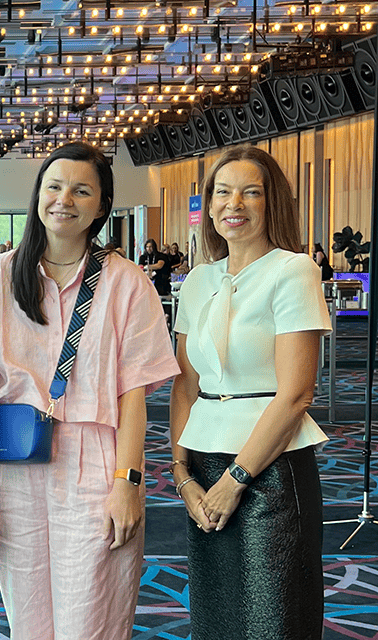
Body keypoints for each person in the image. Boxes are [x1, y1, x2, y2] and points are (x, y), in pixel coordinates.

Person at [0, 142, 180, 639]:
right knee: (27, 617)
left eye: (81, 191)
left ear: (101, 206)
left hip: (98, 460)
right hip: (13, 461)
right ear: (38, 195)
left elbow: (134, 394)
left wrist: (129, 481)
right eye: (54, 187)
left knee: (91, 617)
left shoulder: (126, 283)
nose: (64, 200)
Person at [169, 145, 331, 640]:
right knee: (218, 616)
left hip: (270, 468)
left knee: (274, 618)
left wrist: (235, 479)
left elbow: (297, 394)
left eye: (250, 192)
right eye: (222, 192)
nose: (233, 204)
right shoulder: (197, 280)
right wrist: (182, 475)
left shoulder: (293, 270)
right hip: (203, 466)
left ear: (271, 202)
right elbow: (185, 385)